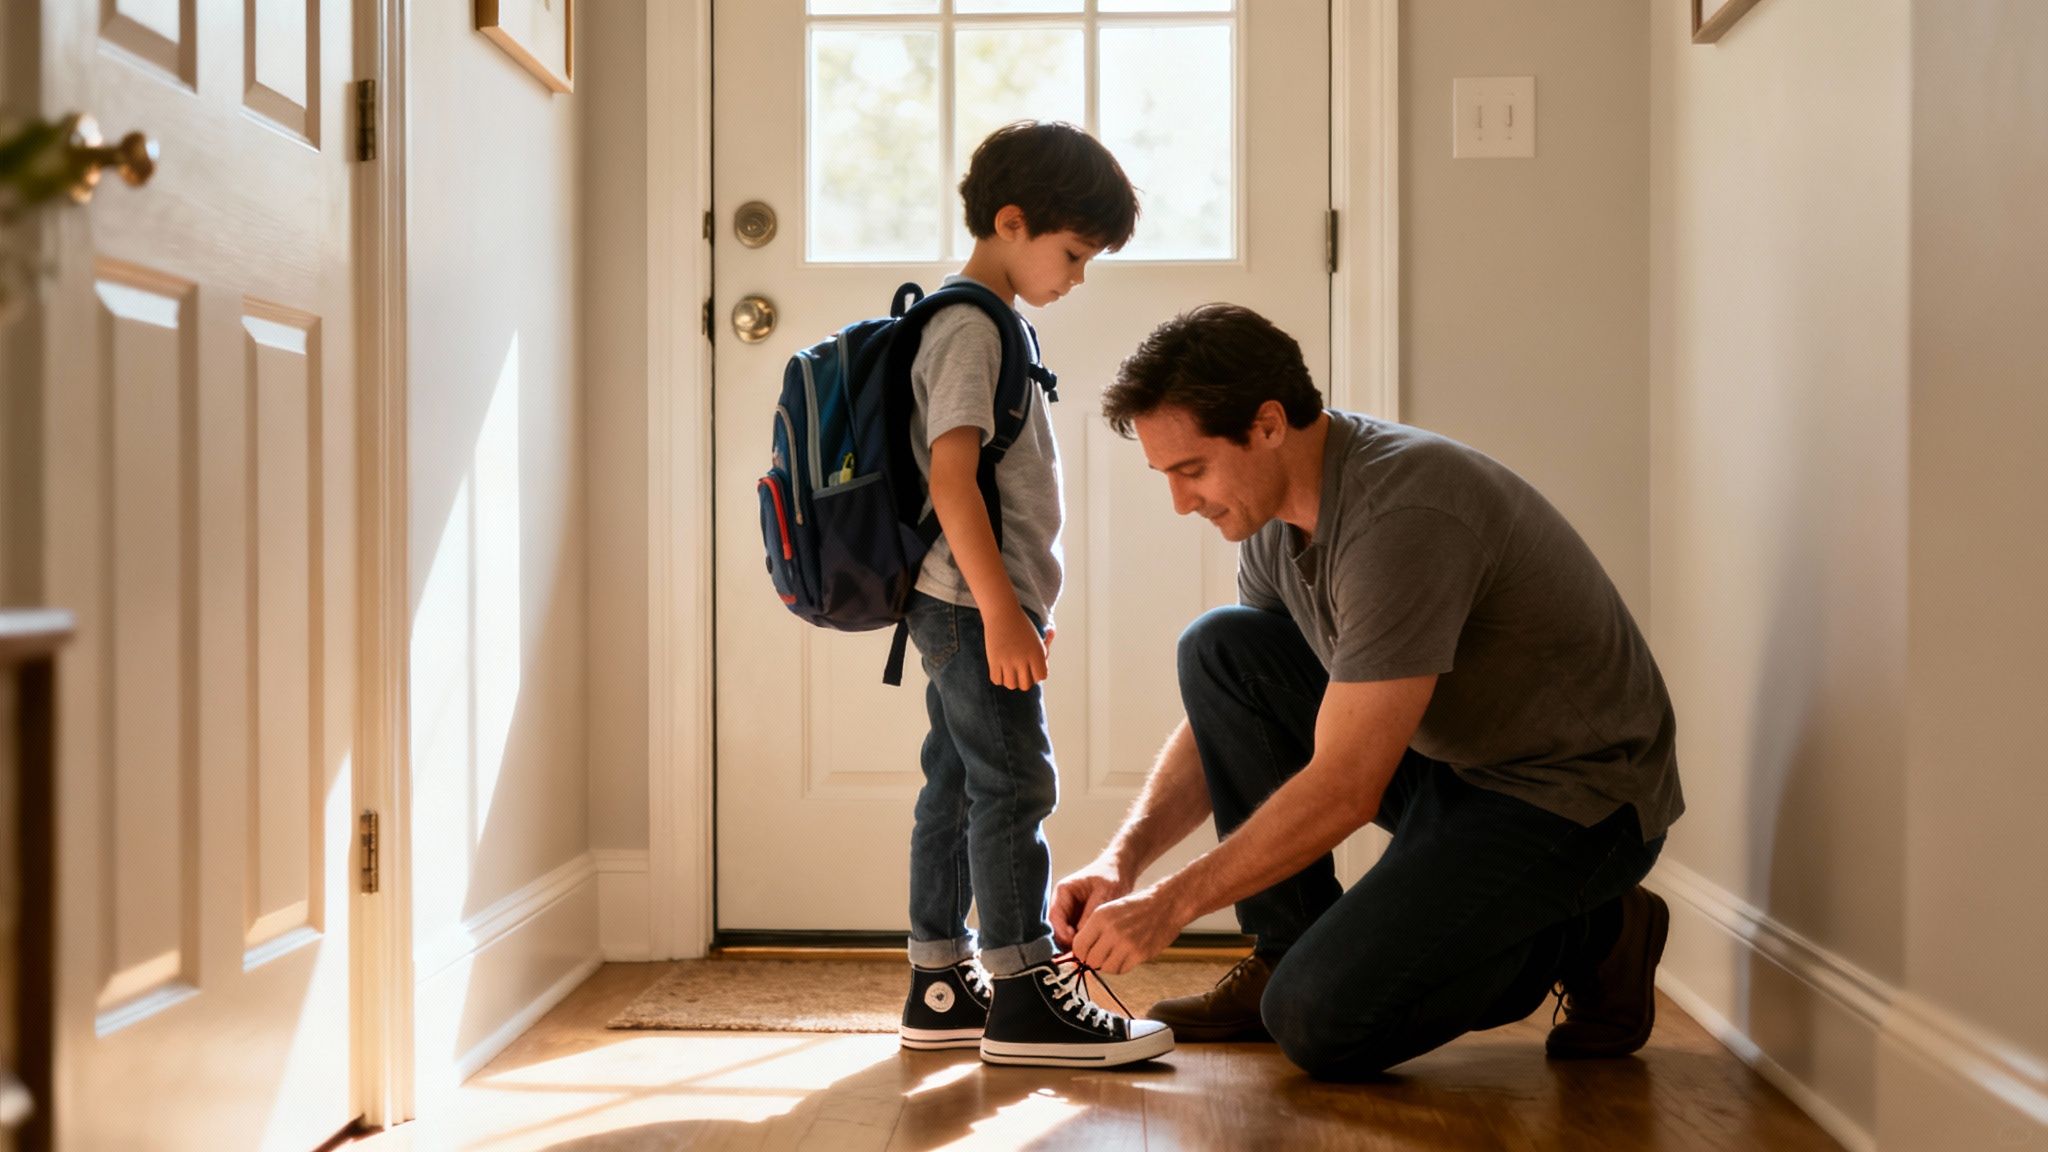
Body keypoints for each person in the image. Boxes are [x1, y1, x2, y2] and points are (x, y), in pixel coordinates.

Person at [1049, 303, 1684, 1079]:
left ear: (1270, 423)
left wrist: (1171, 907)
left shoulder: (1401, 515)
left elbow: (1348, 787)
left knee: (1321, 1021)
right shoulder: (1278, 518)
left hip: (1574, 799)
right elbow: (1236, 711)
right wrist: (1125, 864)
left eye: (1192, 469)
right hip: (1455, 769)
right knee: (1221, 649)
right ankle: (1283, 951)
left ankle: (1595, 930)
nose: (1183, 502)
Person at [894, 120, 1173, 1068]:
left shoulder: (988, 322)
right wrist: (1005, 608)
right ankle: (1022, 994)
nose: (1077, 277)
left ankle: (940, 983)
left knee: (959, 782)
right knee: (1015, 783)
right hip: (976, 606)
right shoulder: (971, 326)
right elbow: (950, 478)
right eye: (1073, 254)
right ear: (1011, 222)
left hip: (961, 602)